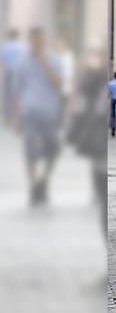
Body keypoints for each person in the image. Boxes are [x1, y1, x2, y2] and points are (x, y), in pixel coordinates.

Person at [15, 28, 63, 205]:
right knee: (30, 151)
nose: (36, 44)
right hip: (29, 111)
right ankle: (34, 185)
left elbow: (59, 83)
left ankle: (43, 180)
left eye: (39, 41)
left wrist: (45, 64)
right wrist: (15, 116)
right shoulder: (23, 62)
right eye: (34, 41)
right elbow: (17, 90)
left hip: (49, 112)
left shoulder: (53, 60)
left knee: (54, 149)